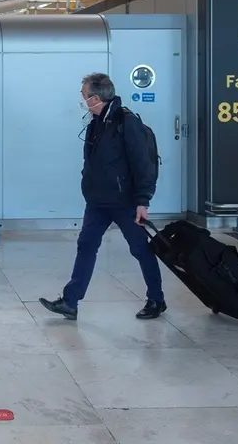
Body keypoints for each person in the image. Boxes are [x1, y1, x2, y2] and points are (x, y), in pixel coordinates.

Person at [40, 73, 166, 321]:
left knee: (140, 249)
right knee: (86, 246)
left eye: (84, 94)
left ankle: (157, 299)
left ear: (96, 97)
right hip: (97, 202)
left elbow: (143, 164)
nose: (82, 98)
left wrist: (143, 201)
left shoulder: (126, 122)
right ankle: (70, 302)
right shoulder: (95, 122)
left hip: (124, 202)